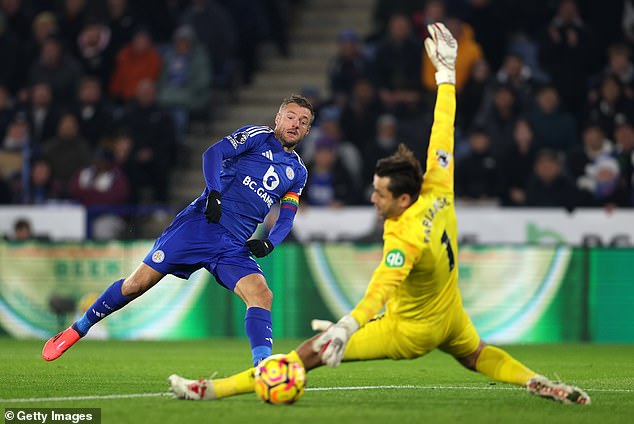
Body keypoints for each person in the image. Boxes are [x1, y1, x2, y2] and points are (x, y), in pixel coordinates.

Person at [168, 23, 591, 406]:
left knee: (305, 355)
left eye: (381, 195)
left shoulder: (404, 235)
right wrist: (446, 76)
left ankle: (211, 390)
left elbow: (379, 290)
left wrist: (345, 328)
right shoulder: (440, 186)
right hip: (451, 315)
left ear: (402, 200)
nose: (374, 199)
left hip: (410, 331)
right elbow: (443, 128)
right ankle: (535, 381)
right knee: (476, 353)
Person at [42, 94, 314, 366]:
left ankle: (262, 367)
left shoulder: (298, 172)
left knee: (262, 294)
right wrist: (214, 194)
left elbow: (288, 214)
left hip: (233, 245)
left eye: (303, 121)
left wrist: (271, 242)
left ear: (307, 130)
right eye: (290, 116)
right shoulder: (257, 136)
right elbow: (213, 153)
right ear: (278, 118)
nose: (295, 124)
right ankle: (77, 329)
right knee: (136, 285)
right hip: (200, 226)